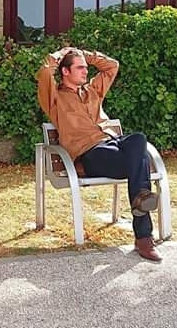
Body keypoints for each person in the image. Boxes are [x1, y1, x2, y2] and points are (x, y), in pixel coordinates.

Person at [36, 46, 162, 262]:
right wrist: (61, 54)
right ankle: (143, 235)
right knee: (140, 160)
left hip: (113, 144)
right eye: (80, 68)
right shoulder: (54, 98)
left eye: (86, 67)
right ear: (65, 71)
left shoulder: (93, 90)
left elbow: (112, 66)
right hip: (90, 153)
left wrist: (85, 55)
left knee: (138, 139)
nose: (86, 71)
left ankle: (141, 198)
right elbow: (45, 71)